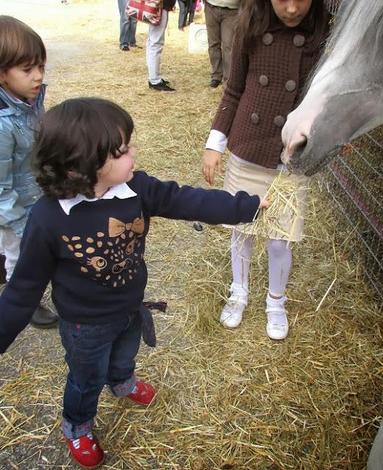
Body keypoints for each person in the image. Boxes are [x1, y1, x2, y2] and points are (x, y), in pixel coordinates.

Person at [0, 97, 267, 468]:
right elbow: (23, 289)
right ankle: (77, 424)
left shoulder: (137, 189)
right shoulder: (48, 219)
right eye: (123, 150)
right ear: (87, 164)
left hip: (129, 307)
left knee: (125, 353)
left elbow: (190, 201)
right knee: (86, 378)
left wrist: (247, 206)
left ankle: (122, 381)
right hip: (84, 325)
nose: (134, 153)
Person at [201, 0, 331, 340]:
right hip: (249, 148)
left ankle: (276, 302)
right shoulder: (250, 24)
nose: (290, 8)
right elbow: (234, 88)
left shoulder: (325, 32)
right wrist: (215, 144)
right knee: (241, 230)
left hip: (290, 154)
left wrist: (332, 134)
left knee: (280, 240)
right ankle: (239, 292)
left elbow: (327, 97)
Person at [0, 16, 58, 328]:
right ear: (2, 74)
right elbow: (0, 188)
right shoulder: (2, 124)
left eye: (41, 68)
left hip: (32, 194)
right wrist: (21, 225)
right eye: (27, 70)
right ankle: (25, 298)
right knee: (20, 255)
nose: (37, 77)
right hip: (13, 208)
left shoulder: (30, 102)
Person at [204, 0, 240, 88]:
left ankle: (229, 79)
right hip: (211, 6)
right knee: (213, 44)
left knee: (229, 46)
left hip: (232, 9)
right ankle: (216, 75)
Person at [146, 0, 176, 91]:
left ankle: (154, 78)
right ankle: (155, 80)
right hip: (158, 6)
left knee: (152, 42)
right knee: (155, 43)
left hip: (159, 6)